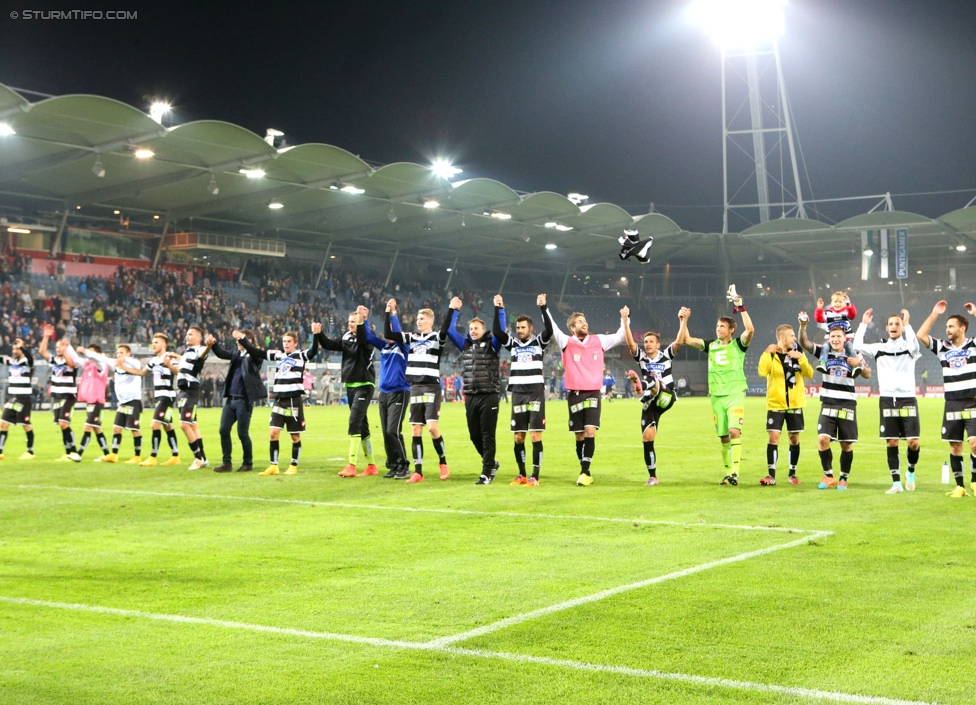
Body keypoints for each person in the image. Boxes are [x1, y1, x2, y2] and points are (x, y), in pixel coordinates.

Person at [677, 286, 755, 485]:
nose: (718, 328)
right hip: (717, 396)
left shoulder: (738, 345)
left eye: (722, 326)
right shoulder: (710, 345)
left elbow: (750, 330)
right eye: (717, 326)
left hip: (735, 393)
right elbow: (686, 339)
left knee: (734, 431)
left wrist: (741, 306)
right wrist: (683, 320)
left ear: (731, 330)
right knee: (723, 438)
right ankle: (728, 473)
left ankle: (735, 474)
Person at [546, 302, 628, 486]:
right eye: (580, 322)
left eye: (585, 321)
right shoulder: (567, 342)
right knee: (579, 435)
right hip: (574, 394)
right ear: (572, 328)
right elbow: (552, 327)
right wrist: (545, 308)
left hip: (592, 392)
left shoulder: (598, 340)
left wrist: (624, 319)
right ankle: (586, 469)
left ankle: (584, 472)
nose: (584, 323)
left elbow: (620, 336)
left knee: (590, 431)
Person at [235, 324, 320, 476]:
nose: (286, 344)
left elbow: (314, 350)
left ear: (295, 343)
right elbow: (258, 352)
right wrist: (243, 340)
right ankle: (274, 465)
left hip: (293, 400)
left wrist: (316, 334)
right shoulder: (278, 355)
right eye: (284, 341)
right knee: (273, 433)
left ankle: (293, 465)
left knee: (294, 436)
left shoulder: (301, 355)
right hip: (279, 400)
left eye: (289, 341)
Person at [853, 308, 922, 494]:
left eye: (897, 324)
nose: (894, 326)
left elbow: (916, 345)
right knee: (891, 442)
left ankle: (911, 471)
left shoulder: (909, 347)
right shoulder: (878, 348)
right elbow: (857, 345)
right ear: (886, 328)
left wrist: (908, 324)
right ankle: (896, 483)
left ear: (901, 327)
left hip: (907, 398)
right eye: (891, 324)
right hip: (887, 399)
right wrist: (863, 324)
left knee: (913, 442)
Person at [799, 317, 872, 490]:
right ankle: (828, 475)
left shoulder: (853, 353)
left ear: (845, 338)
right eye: (832, 337)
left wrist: (859, 364)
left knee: (846, 444)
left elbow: (868, 374)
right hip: (828, 403)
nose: (835, 339)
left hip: (847, 403)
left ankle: (844, 478)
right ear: (829, 338)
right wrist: (803, 326)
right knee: (823, 439)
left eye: (839, 336)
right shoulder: (824, 351)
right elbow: (805, 343)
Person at [384, 300, 451, 483]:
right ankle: (418, 472)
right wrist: (389, 312)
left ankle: (443, 462)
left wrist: (451, 308)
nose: (418, 322)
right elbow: (390, 333)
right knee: (415, 428)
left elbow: (445, 329)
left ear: (430, 320)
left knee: (432, 427)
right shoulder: (412, 337)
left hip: (431, 386)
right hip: (415, 387)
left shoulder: (437, 337)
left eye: (421, 319)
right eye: (417, 319)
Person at [915, 300, 976, 498]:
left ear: (962, 328)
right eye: (946, 327)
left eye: (951, 326)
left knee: (974, 443)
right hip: (952, 403)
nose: (947, 329)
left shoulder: (973, 344)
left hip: (973, 400)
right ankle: (960, 486)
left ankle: (975, 481)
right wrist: (935, 314)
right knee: (955, 445)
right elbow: (920, 335)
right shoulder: (943, 347)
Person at [445, 296, 504, 485]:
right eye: (471, 329)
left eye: (476, 328)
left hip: (489, 395)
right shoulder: (465, 345)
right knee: (474, 435)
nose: (473, 331)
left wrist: (499, 309)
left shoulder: (493, 344)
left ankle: (487, 471)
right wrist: (453, 310)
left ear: (484, 330)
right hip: (470, 396)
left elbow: (500, 331)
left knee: (488, 435)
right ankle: (492, 462)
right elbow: (448, 330)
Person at [494, 294, 551, 486]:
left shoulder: (538, 342)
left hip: (535, 392)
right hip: (517, 393)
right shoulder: (513, 344)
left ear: (531, 329)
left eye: (523, 327)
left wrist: (543, 307)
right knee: (519, 436)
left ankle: (535, 476)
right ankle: (522, 474)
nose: (519, 331)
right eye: (517, 328)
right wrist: (498, 308)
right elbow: (498, 332)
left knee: (535, 434)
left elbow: (550, 329)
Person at [623, 310, 684, 486]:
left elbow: (679, 341)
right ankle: (653, 476)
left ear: (658, 344)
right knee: (647, 438)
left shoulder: (666, 355)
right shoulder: (642, 358)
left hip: (666, 395)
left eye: (651, 342)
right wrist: (625, 321)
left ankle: (640, 385)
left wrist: (683, 321)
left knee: (653, 379)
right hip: (651, 400)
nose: (647, 344)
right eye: (646, 342)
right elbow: (630, 343)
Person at [316, 308, 378, 478]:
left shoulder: (367, 336)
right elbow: (330, 345)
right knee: (362, 425)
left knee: (354, 422)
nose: (351, 324)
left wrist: (361, 321)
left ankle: (351, 465)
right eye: (350, 321)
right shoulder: (346, 337)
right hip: (351, 384)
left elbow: (364, 340)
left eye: (354, 321)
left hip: (364, 384)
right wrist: (319, 334)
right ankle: (372, 465)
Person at [757, 323, 814, 486]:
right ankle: (771, 475)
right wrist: (766, 354)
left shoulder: (798, 353)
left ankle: (792, 473)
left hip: (795, 403)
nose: (794, 338)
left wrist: (801, 359)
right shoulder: (771, 354)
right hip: (776, 403)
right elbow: (762, 372)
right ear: (782, 338)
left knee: (794, 438)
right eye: (792, 336)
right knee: (773, 437)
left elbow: (809, 373)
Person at [363, 301, 411, 479]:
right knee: (386, 432)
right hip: (384, 393)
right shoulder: (384, 346)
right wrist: (365, 320)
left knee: (393, 430)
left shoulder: (403, 346)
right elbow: (368, 336)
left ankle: (404, 466)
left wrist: (392, 313)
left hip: (400, 391)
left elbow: (396, 331)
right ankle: (393, 465)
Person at [208, 330, 264, 473]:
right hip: (230, 400)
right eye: (237, 341)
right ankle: (226, 463)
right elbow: (221, 353)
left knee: (242, 433)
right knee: (223, 430)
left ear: (249, 341)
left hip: (244, 401)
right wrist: (214, 344)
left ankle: (248, 463)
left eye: (241, 341)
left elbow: (253, 351)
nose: (238, 344)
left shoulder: (255, 356)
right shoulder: (235, 354)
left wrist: (243, 339)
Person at [129, 333, 182, 467]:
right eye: (152, 342)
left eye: (156, 342)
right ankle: (175, 456)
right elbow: (142, 373)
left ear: (164, 344)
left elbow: (178, 372)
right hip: (159, 396)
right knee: (167, 426)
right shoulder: (153, 361)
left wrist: (169, 365)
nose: (153, 345)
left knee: (154, 425)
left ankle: (153, 456)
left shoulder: (168, 357)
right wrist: (123, 368)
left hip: (167, 396)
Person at [87, 344, 145, 464]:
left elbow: (138, 365)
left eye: (121, 353)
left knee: (134, 429)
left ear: (128, 354)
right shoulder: (115, 364)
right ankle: (114, 454)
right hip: (122, 402)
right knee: (116, 428)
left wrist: (124, 360)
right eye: (117, 353)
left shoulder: (134, 363)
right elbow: (101, 358)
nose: (118, 355)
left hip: (133, 400)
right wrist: (86, 352)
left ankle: (137, 456)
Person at [166, 326, 213, 470]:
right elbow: (182, 367)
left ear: (199, 338)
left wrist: (209, 346)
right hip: (183, 391)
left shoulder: (199, 349)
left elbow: (203, 353)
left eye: (190, 334)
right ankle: (203, 458)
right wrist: (173, 360)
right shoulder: (188, 353)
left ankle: (198, 458)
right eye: (187, 334)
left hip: (190, 391)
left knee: (184, 425)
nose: (187, 336)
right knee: (193, 425)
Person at [37, 325, 82, 462]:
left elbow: (72, 365)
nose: (58, 349)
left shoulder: (72, 360)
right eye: (57, 347)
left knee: (64, 423)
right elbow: (42, 352)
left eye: (60, 347)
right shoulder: (55, 360)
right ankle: (68, 452)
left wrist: (66, 350)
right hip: (57, 396)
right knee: (61, 425)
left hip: (68, 395)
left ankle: (74, 452)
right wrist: (46, 337)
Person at [0, 338, 36, 460]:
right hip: (12, 397)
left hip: (24, 398)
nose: (15, 351)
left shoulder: (27, 362)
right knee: (3, 424)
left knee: (25, 425)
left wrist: (23, 347)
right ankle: (0, 452)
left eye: (18, 349)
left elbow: (30, 358)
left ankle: (30, 452)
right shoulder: (11, 361)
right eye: (14, 349)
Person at [74, 343, 111, 460]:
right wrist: (67, 348)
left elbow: (95, 359)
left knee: (88, 427)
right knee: (96, 428)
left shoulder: (101, 365)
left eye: (91, 352)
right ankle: (107, 453)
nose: (88, 355)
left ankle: (79, 454)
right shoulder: (89, 365)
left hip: (97, 401)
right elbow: (77, 360)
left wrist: (85, 351)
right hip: (90, 401)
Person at [815, 292, 857, 366]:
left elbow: (852, 315)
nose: (837, 304)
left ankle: (854, 366)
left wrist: (849, 304)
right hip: (831, 340)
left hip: (846, 339)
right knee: (825, 347)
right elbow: (819, 319)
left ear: (844, 303)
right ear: (831, 303)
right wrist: (819, 308)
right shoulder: (828, 313)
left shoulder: (846, 312)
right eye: (835, 302)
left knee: (850, 348)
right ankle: (823, 363)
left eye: (840, 302)